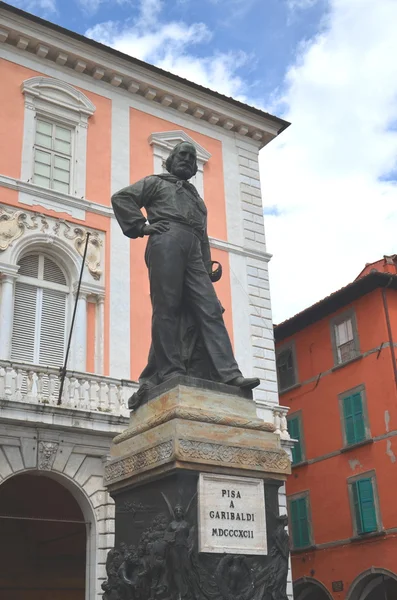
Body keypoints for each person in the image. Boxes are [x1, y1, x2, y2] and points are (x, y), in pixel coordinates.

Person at [112, 141, 259, 395]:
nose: (187, 160)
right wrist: (141, 226)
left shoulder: (198, 202)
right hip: (166, 240)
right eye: (183, 155)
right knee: (166, 307)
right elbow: (122, 198)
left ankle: (229, 373)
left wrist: (206, 265)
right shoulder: (155, 182)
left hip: (193, 250)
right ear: (170, 160)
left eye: (192, 158)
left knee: (210, 308)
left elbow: (202, 236)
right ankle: (170, 370)